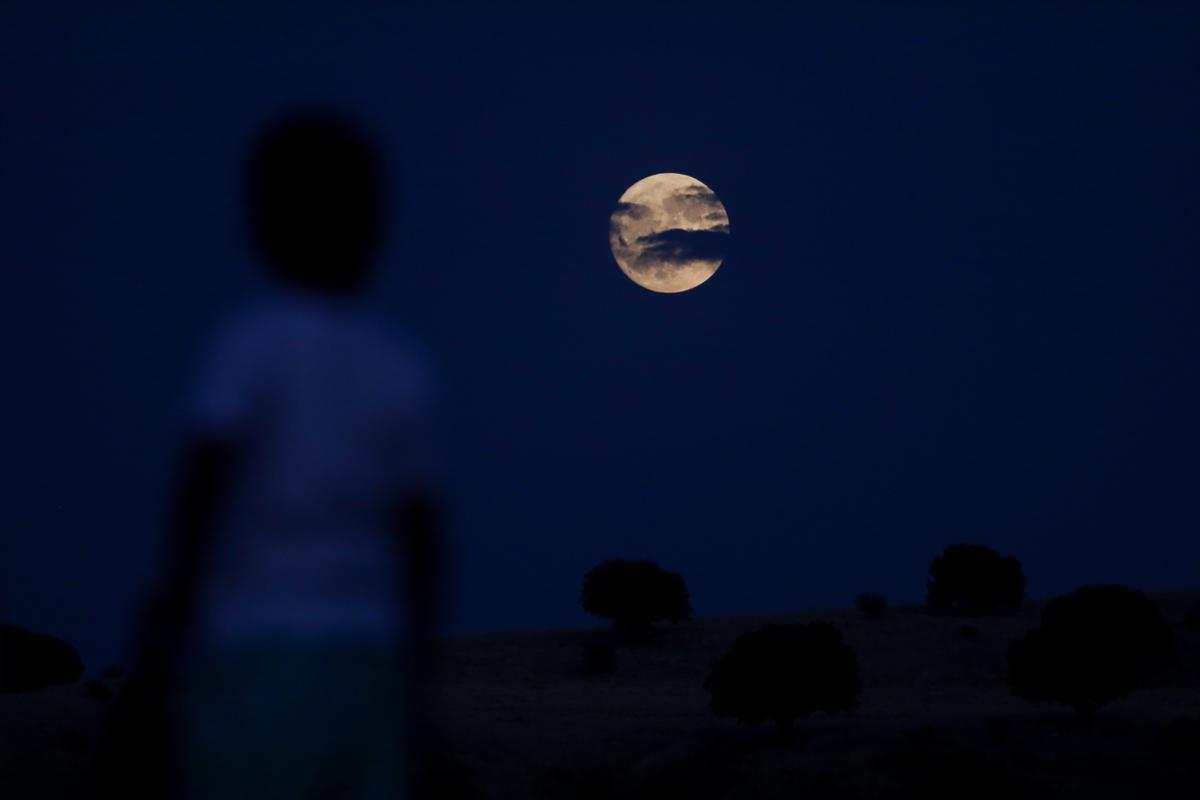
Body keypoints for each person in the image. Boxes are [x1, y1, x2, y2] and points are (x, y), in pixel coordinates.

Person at [94, 111, 442, 800]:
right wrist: (418, 667)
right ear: (376, 224)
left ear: (262, 226)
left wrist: (166, 619)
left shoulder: (250, 345)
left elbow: (203, 481)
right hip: (367, 658)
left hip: (255, 649)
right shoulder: (399, 364)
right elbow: (422, 531)